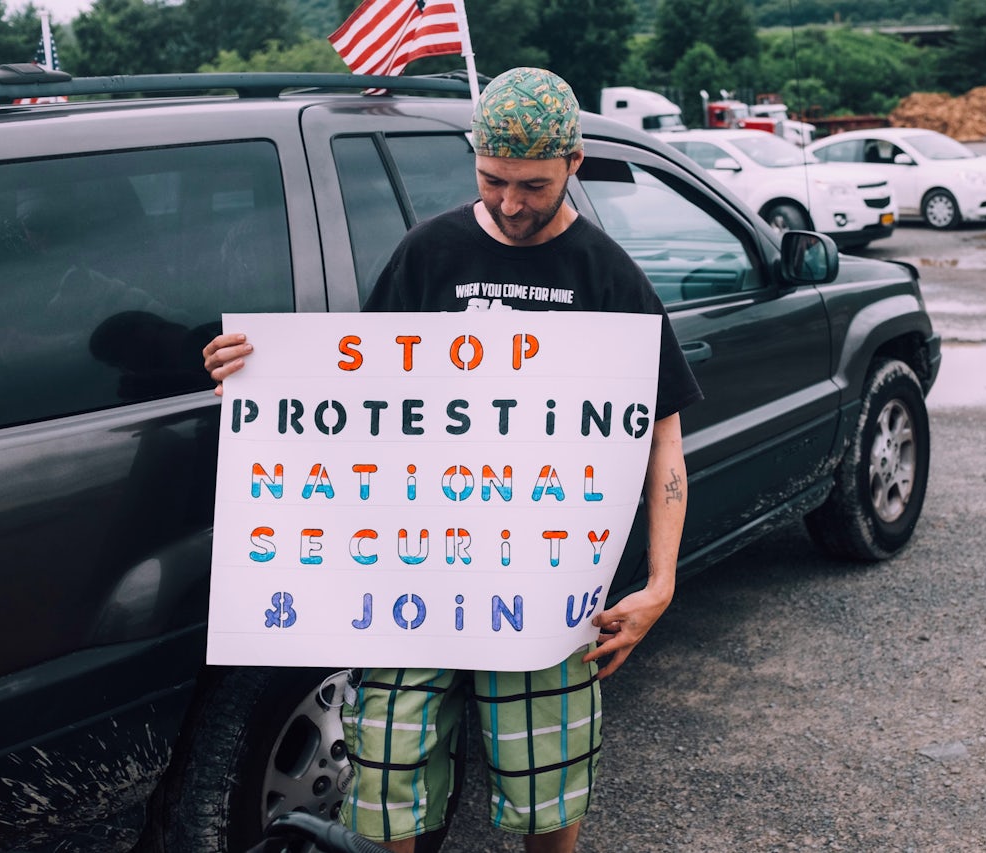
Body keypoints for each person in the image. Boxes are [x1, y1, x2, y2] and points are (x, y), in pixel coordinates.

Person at [202, 67, 702, 853]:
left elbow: (660, 434)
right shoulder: (428, 253)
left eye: (532, 184)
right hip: (415, 578)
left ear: (574, 162)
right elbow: (358, 385)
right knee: (386, 788)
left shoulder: (606, 276)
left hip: (544, 593)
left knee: (548, 791)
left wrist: (662, 581)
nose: (510, 202)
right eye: (493, 179)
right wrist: (258, 368)